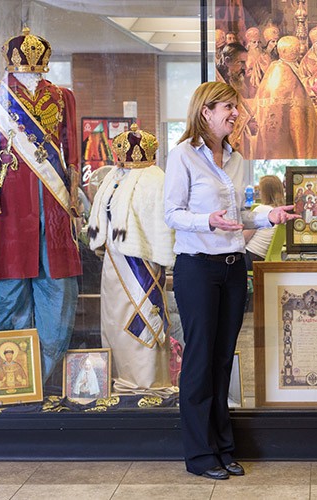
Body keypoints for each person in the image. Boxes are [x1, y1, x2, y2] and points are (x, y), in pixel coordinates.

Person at [163, 81, 298, 480]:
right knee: (200, 360)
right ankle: (200, 454)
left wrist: (267, 216)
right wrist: (207, 220)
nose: (236, 114)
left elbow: (239, 212)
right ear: (206, 111)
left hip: (232, 266)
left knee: (223, 361)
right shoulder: (183, 156)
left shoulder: (236, 160)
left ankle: (223, 447)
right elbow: (171, 213)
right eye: (228, 107)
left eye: (235, 108)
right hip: (197, 268)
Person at [0, 28, 80, 384]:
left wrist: (74, 197)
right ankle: (14, 386)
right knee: (9, 291)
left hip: (53, 204)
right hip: (9, 206)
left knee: (58, 292)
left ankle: (48, 380)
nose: (34, 69)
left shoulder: (64, 96)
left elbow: (72, 154)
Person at [88, 125, 177, 397]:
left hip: (142, 261)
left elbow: (159, 224)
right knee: (114, 320)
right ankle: (117, 376)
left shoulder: (157, 179)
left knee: (141, 316)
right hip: (113, 263)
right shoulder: (114, 176)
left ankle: (146, 380)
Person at [255, 36, 317, 159]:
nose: (299, 51)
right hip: (284, 124)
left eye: (298, 48)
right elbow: (297, 102)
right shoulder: (283, 70)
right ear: (286, 51)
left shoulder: (277, 66)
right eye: (295, 49)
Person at [244, 175, 286, 270]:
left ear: (265, 193)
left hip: (250, 257)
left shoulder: (261, 210)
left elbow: (244, 238)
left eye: (260, 190)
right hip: (262, 257)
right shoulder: (281, 212)